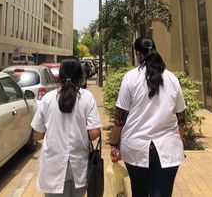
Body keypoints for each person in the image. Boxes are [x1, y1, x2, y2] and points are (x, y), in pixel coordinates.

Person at [110, 37, 186, 197]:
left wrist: (114, 144)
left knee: (139, 192)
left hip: (136, 147)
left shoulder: (130, 77)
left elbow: (119, 118)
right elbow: (181, 117)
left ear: (138, 54)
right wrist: (178, 142)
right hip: (168, 148)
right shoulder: (172, 78)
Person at [31, 58, 101, 197]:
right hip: (79, 165)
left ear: (60, 76)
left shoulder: (48, 98)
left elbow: (38, 135)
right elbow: (94, 133)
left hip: (53, 165)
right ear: (80, 76)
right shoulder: (87, 97)